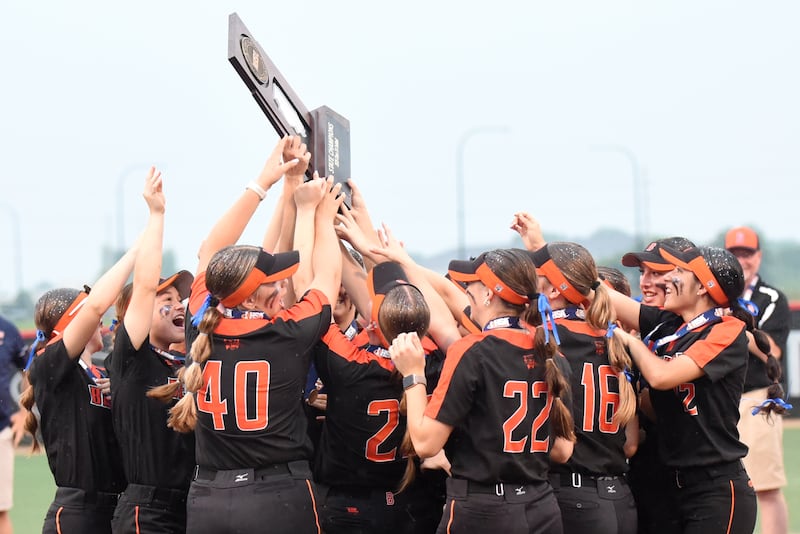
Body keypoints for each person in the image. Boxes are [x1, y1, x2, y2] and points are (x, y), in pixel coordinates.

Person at [166, 136, 342, 533]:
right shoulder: (287, 332)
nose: (282, 289)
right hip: (277, 496)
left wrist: (266, 181)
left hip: (209, 499)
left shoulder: (200, 319)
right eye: (273, 285)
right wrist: (321, 216)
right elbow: (328, 276)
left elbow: (210, 247)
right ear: (249, 301)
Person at [391, 248, 575, 534]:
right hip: (541, 506)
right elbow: (563, 450)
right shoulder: (551, 353)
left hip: (484, 510)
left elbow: (426, 444)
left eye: (471, 284)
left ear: (489, 293)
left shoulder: (473, 350)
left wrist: (413, 373)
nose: (466, 290)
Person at [17, 175, 158, 532]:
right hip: (79, 512)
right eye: (86, 316)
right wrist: (144, 240)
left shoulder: (98, 372)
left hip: (116, 508)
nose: (102, 320)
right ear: (70, 325)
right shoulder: (50, 364)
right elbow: (96, 306)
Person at [611, 245, 757, 534]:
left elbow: (662, 376)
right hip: (673, 485)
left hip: (715, 487)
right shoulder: (670, 325)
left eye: (678, 272)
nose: (666, 279)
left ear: (703, 287)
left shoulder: (725, 329)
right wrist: (539, 249)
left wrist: (629, 342)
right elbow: (599, 295)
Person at [311, 261, 447, 534]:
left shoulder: (349, 366)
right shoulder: (436, 361)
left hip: (352, 505)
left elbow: (313, 302)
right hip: (414, 505)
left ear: (373, 321)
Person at [103, 166, 196, 534]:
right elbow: (142, 285)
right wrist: (157, 215)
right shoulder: (132, 359)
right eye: (167, 299)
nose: (178, 306)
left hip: (191, 505)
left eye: (180, 299)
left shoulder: (184, 363)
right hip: (148, 511)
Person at [531, 242, 638, 534]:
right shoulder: (613, 336)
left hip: (574, 497)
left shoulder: (547, 337)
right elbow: (630, 443)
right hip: (620, 498)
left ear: (554, 290)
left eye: (537, 275)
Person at [618, 236, 695, 534]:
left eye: (656, 273)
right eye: (642, 273)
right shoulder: (651, 325)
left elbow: (660, 404)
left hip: (681, 481)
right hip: (636, 479)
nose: (646, 283)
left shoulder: (700, 330)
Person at [725, 226, 790, 534]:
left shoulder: (771, 297)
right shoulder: (716, 297)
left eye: (747, 253)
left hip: (758, 397)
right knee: (724, 488)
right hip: (719, 399)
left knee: (765, 486)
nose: (742, 260)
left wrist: (733, 324)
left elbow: (772, 351)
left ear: (759, 257)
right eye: (735, 253)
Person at [0, 314, 24, 534]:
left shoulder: (6, 329)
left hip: (1, 432)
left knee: (0, 512)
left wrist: (24, 412)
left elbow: (30, 367)